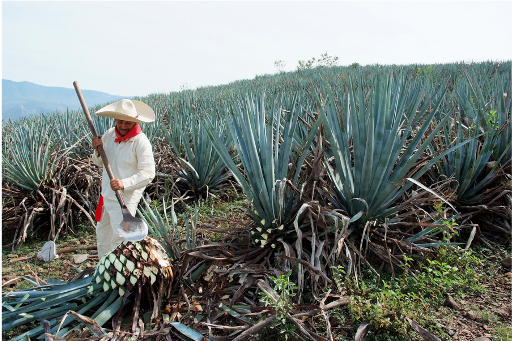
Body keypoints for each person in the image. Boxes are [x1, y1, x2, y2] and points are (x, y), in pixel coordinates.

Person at [91, 99, 156, 258]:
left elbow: (148, 173)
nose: (123, 126)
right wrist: (97, 150)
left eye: (128, 123)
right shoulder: (109, 134)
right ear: (115, 120)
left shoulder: (141, 142)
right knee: (103, 236)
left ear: (135, 122)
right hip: (106, 194)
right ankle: (103, 269)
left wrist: (123, 183)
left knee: (120, 238)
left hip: (125, 198)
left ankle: (118, 272)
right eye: (120, 122)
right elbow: (99, 163)